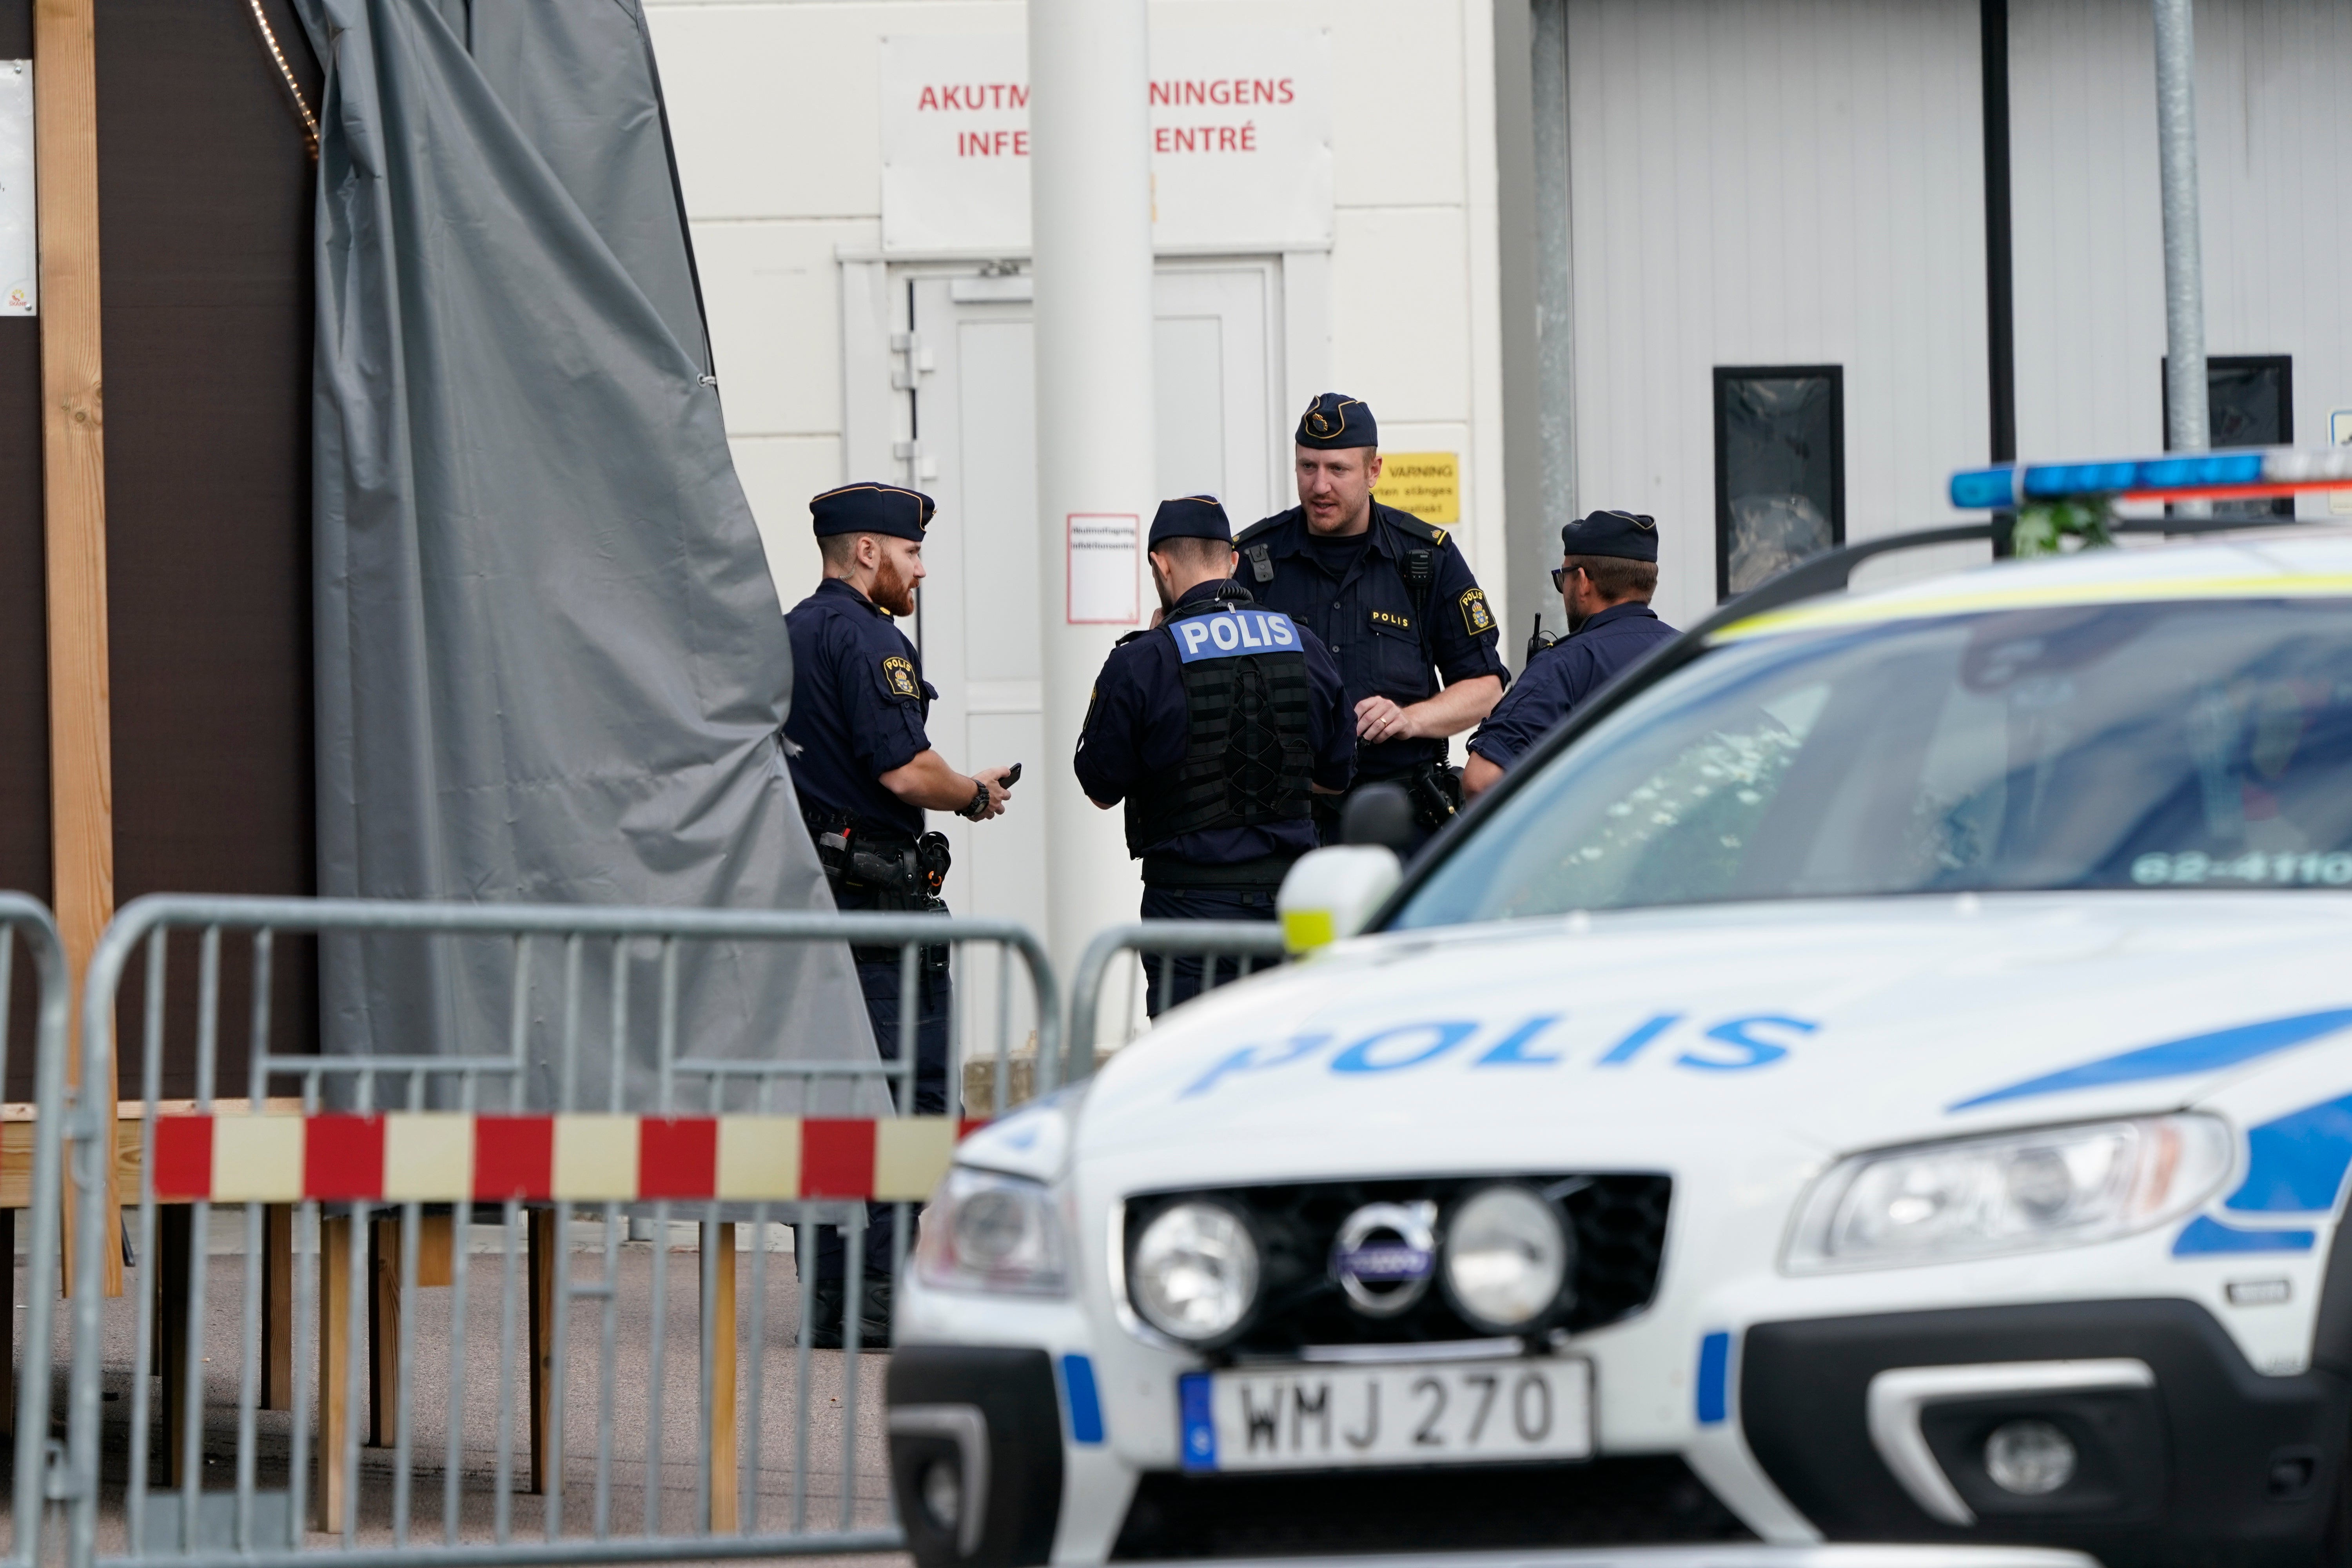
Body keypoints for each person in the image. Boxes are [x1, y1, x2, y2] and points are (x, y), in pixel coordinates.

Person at [783, 481, 1016, 1348]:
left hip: (818, 905)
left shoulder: (792, 631)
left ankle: (830, 1294)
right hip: (880, 912)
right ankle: (877, 1298)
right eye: (911, 553)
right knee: (904, 1099)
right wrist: (972, 793)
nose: (920, 571)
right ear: (870, 552)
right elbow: (905, 771)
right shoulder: (869, 636)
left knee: (831, 1100)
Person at [1075, 496, 1354, 1014]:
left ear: (1160, 563)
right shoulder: (1304, 645)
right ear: (1231, 561)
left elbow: (1100, 790)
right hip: (1288, 906)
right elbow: (1336, 778)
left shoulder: (1142, 662)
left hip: (1188, 911)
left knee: (1190, 1074)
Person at [1234, 393, 1508, 850]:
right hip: (1283, 825)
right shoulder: (1255, 561)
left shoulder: (1425, 559)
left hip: (1399, 821)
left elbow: (1485, 688)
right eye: (1308, 467)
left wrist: (1408, 718)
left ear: (1373, 470)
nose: (1320, 486)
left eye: (1337, 469)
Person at [1463, 508, 1680, 798]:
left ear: (1583, 581)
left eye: (1563, 578)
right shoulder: (1698, 656)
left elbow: (1482, 779)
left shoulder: (1565, 665)